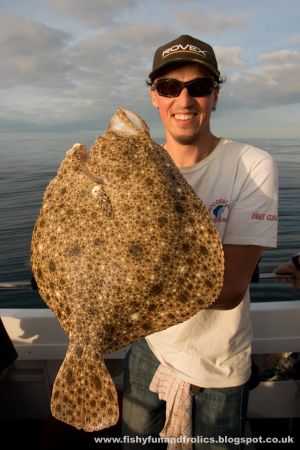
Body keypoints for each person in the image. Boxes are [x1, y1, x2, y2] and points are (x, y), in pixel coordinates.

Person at [122, 34, 278, 449]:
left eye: (200, 87)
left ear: (215, 95)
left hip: (219, 361)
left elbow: (228, 290)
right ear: (155, 96)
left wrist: (126, 288)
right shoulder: (134, 172)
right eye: (170, 87)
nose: (184, 99)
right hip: (148, 345)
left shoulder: (250, 164)